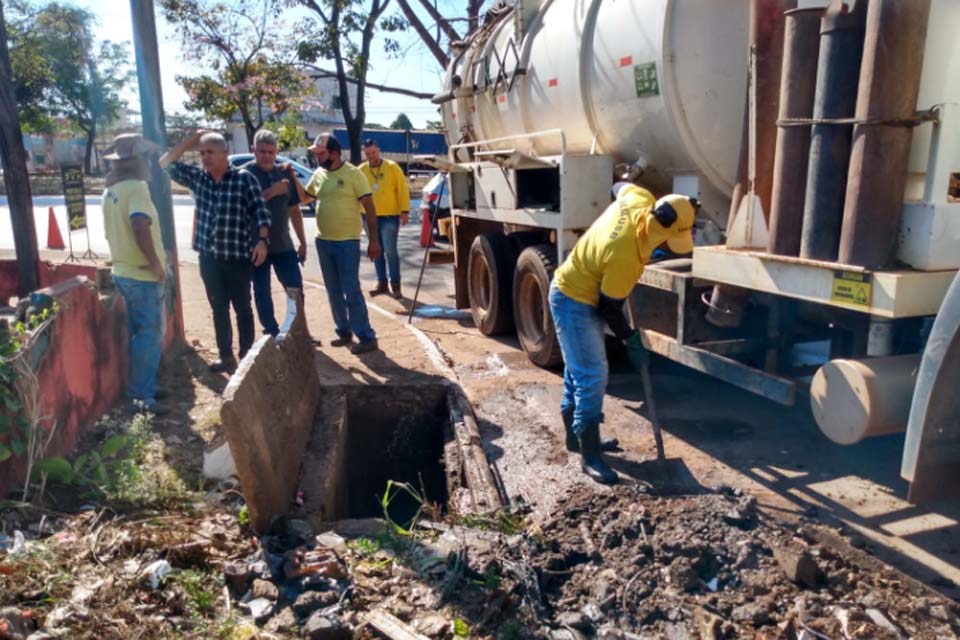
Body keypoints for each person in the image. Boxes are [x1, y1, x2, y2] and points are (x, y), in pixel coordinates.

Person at [549, 183, 697, 485]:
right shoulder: (626, 257)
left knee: (577, 370)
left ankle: (576, 438)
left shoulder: (639, 199)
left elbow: (619, 186)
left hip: (571, 285)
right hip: (574, 300)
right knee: (592, 373)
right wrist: (630, 338)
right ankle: (589, 455)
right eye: (672, 239)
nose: (671, 245)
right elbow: (609, 308)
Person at [160, 131, 271, 372]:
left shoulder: (244, 179)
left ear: (225, 153)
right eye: (202, 153)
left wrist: (262, 241)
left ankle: (246, 357)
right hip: (209, 258)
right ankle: (225, 355)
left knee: (242, 307)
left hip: (238, 258)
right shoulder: (199, 178)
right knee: (218, 307)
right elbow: (164, 164)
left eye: (210, 152)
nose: (205, 157)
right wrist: (190, 141)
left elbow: (261, 212)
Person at [101, 133, 168, 414]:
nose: (149, 163)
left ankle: (146, 386)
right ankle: (141, 395)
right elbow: (140, 225)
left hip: (123, 271)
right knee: (150, 335)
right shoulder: (136, 188)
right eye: (145, 158)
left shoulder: (110, 190)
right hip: (142, 276)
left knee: (141, 334)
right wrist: (155, 264)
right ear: (135, 161)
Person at [302, 133, 382, 354]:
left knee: (351, 290)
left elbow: (370, 208)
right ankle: (343, 331)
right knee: (333, 290)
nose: (316, 157)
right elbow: (305, 198)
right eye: (315, 153)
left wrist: (374, 240)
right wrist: (289, 176)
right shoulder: (318, 174)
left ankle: (366, 336)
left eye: (321, 153)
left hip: (347, 242)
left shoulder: (354, 175)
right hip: (323, 241)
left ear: (334, 153)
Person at [242, 129, 308, 337]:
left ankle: (296, 330)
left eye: (271, 152)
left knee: (294, 289)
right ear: (254, 150)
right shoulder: (243, 174)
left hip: (283, 245)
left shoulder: (284, 172)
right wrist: (271, 192)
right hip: (255, 245)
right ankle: (271, 332)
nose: (267, 156)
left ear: (276, 151)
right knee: (262, 292)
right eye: (263, 151)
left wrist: (303, 242)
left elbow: (295, 210)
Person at [358, 139, 410, 299]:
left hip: (389, 216)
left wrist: (404, 211)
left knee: (390, 250)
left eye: (373, 153)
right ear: (364, 154)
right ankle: (382, 283)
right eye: (368, 154)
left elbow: (402, 189)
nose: (371, 156)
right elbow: (356, 192)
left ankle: (396, 285)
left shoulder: (392, 167)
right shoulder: (361, 170)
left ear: (378, 150)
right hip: (368, 216)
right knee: (376, 250)